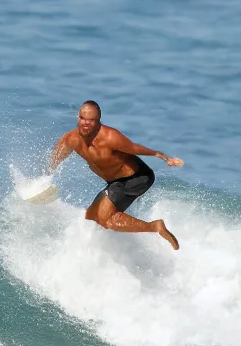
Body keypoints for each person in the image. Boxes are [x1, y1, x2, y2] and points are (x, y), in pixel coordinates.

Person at [47, 100, 184, 250]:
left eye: (91, 120)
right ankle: (115, 251)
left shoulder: (111, 137)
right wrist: (46, 178)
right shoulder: (70, 140)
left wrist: (165, 157)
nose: (86, 123)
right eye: (82, 118)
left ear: (98, 121)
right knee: (92, 217)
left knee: (106, 219)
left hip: (137, 177)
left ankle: (155, 227)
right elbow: (55, 159)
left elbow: (134, 148)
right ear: (78, 117)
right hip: (115, 183)